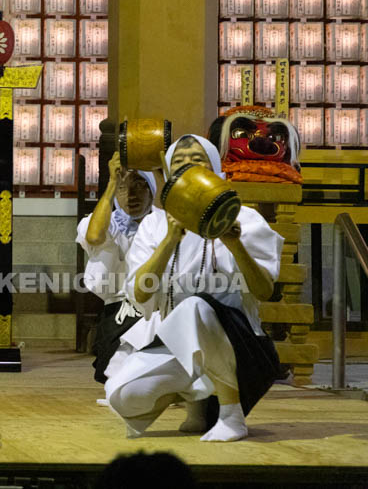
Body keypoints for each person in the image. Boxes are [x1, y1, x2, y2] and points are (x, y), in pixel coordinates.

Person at [105, 135, 282, 442]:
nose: (187, 166)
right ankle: (197, 402)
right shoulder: (154, 225)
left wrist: (234, 243)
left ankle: (231, 414)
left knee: (195, 306)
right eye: (178, 162)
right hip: (177, 343)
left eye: (197, 160)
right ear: (168, 174)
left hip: (240, 348)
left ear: (214, 169)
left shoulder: (244, 217)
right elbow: (141, 294)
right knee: (122, 395)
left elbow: (264, 290)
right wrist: (170, 240)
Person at [76, 152, 155, 387]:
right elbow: (94, 236)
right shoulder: (106, 222)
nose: (131, 195)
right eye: (123, 188)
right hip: (118, 309)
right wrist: (112, 182)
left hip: (155, 309)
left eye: (140, 185)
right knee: (115, 375)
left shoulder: (161, 224)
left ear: (152, 189)